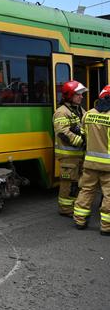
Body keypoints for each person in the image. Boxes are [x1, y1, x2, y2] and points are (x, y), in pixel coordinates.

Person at [73, 85, 110, 236]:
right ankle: (106, 227)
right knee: (109, 195)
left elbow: (82, 134)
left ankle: (80, 220)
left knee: (86, 190)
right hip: (108, 166)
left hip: (90, 163)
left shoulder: (88, 115)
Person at [52, 80, 87, 217]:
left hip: (78, 154)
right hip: (68, 155)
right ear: (69, 95)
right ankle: (65, 209)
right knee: (68, 183)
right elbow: (63, 133)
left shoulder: (79, 110)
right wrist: (81, 141)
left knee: (77, 182)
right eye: (78, 94)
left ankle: (74, 205)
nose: (82, 97)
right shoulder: (61, 112)